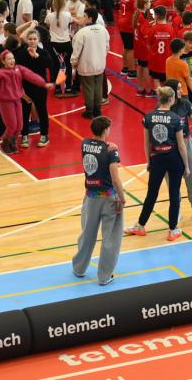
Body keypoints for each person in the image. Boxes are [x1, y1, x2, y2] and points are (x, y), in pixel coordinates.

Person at [131, 86, 190, 240]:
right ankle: (173, 229)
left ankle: (140, 225)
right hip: (174, 159)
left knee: (152, 193)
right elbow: (181, 145)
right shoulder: (175, 118)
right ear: (171, 99)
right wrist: (186, 166)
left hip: (157, 158)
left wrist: (149, 161)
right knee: (174, 193)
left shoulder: (148, 117)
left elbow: (146, 144)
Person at [73, 115, 124, 286]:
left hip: (90, 197)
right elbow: (115, 179)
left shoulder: (84, 144)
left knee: (87, 234)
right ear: (105, 130)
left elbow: (95, 147)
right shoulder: (111, 151)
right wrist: (122, 198)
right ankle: (104, 276)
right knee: (111, 238)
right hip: (109, 198)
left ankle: (79, 268)